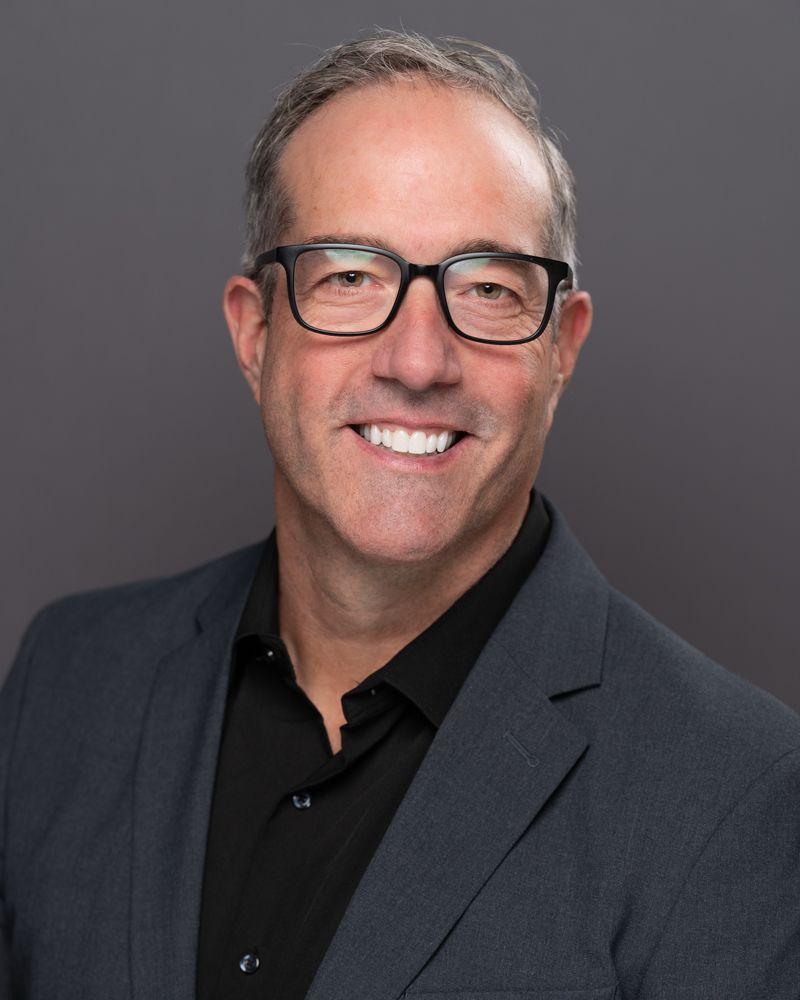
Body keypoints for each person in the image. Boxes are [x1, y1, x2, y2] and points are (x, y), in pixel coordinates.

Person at [2, 29, 799, 1000]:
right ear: (255, 332)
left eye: (488, 290)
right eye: (349, 277)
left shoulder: (736, 794)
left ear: (561, 350)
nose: (416, 361)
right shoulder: (70, 680)